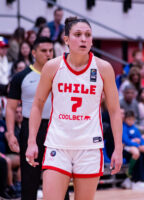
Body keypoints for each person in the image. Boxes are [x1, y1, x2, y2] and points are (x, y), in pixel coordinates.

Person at [26, 17, 123, 200]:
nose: (84, 39)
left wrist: (118, 148)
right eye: (78, 35)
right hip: (58, 144)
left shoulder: (104, 68)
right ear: (66, 39)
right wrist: (32, 141)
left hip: (89, 147)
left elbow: (114, 110)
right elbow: (37, 104)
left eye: (88, 35)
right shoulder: (52, 66)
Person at [5, 37, 65, 200]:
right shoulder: (21, 77)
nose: (48, 54)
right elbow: (10, 108)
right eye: (44, 51)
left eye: (51, 51)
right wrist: (10, 133)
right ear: (33, 53)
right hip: (30, 130)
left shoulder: (61, 74)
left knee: (60, 174)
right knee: (29, 178)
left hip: (56, 129)